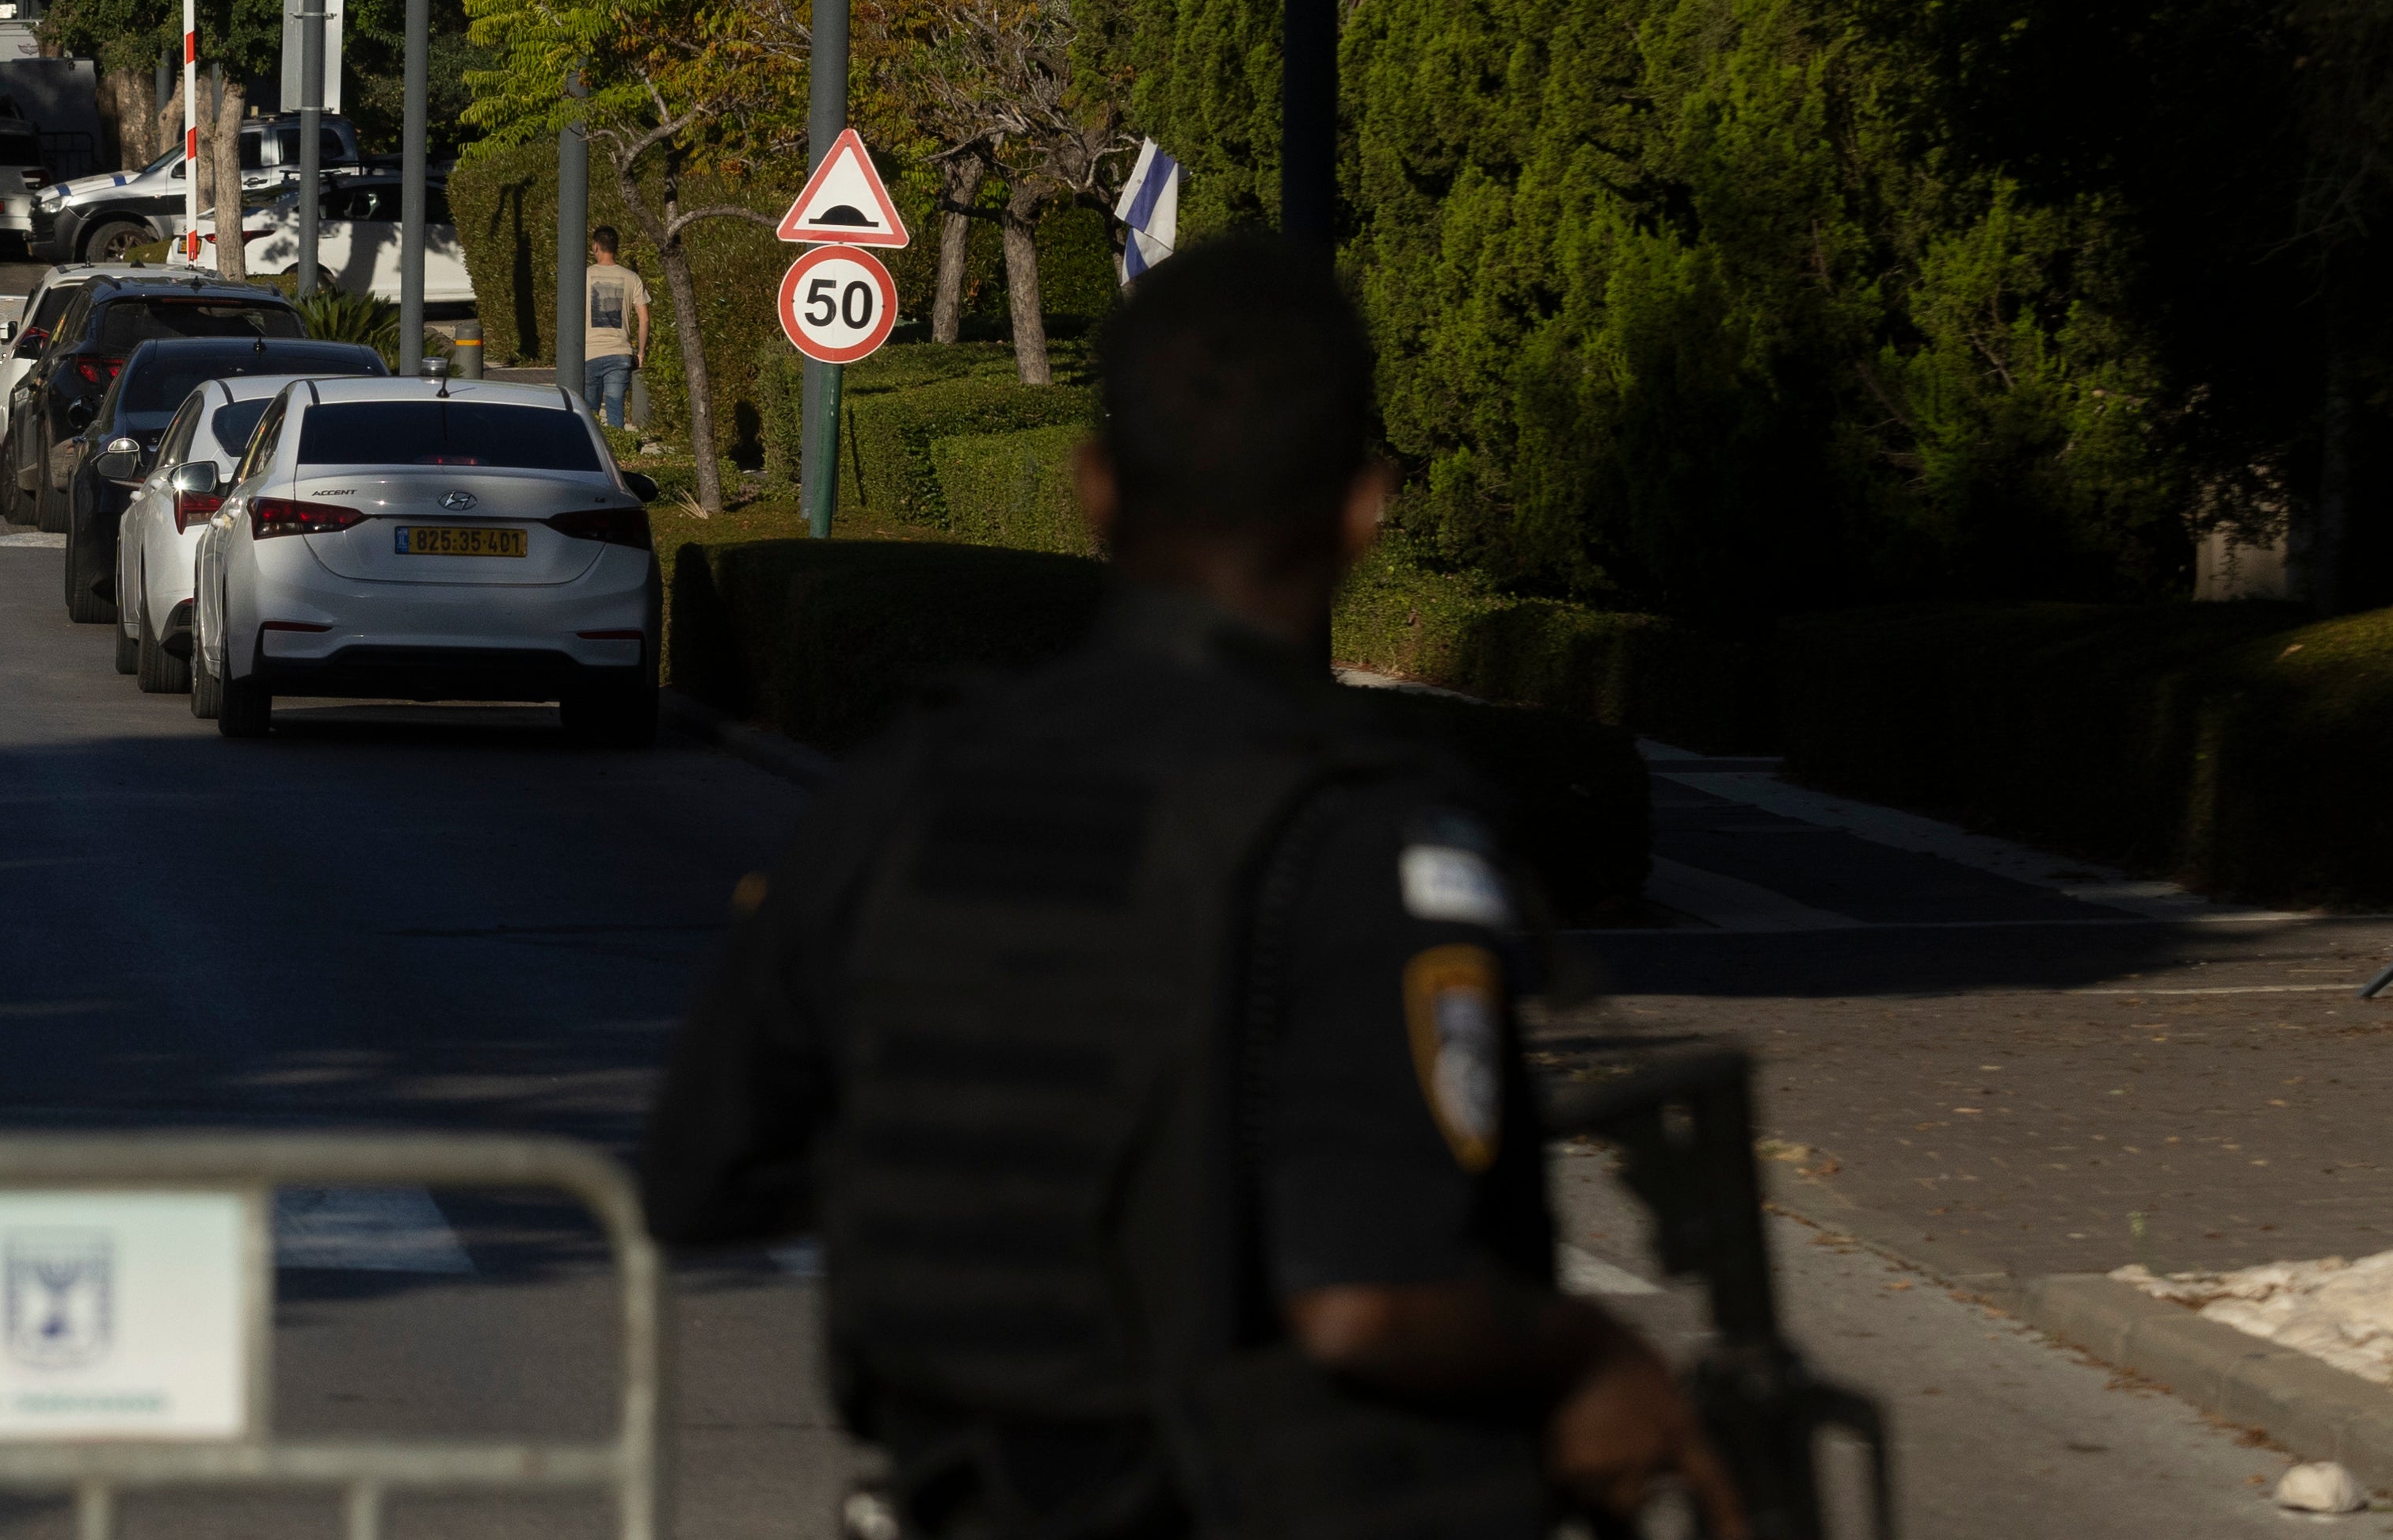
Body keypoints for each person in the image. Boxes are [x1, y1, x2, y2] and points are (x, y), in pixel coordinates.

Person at [641, 238, 1743, 1540]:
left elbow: (701, 1173)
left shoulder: (912, 787)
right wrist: (1592, 1359)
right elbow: (1373, 1298)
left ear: (1097, 490)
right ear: (1361, 509)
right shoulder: (1364, 831)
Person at [581, 227, 650, 429]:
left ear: (595, 246)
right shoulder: (632, 278)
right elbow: (644, 319)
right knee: (615, 410)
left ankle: (592, 455)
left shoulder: (583, 276)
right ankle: (618, 453)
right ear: (616, 248)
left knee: (590, 412)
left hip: (589, 353)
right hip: (620, 353)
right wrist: (641, 353)